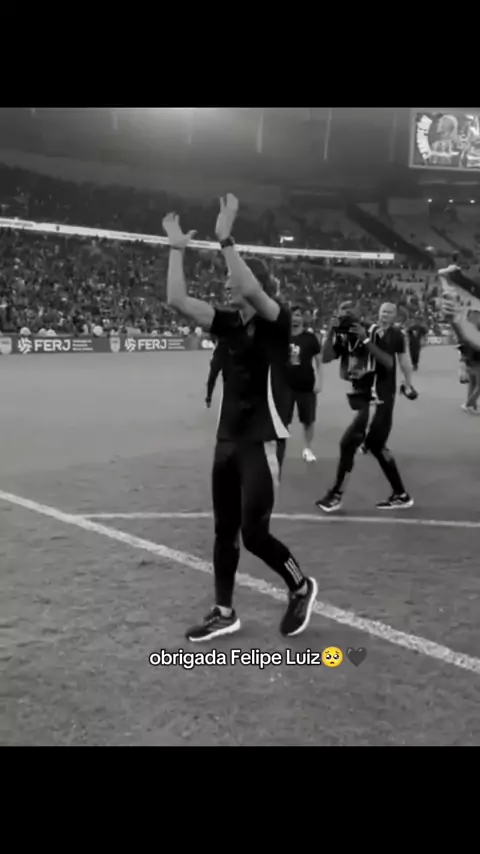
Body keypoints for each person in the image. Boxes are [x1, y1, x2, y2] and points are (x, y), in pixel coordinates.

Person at [163, 195, 318, 643]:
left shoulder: (277, 323)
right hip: (227, 441)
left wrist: (226, 239)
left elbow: (250, 288)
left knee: (254, 534)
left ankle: (301, 586)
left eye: (233, 280)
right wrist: (176, 249)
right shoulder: (228, 324)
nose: (227, 285)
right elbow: (177, 300)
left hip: (262, 441)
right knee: (224, 532)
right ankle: (224, 611)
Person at [316, 302, 416, 514]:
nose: (346, 318)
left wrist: (365, 340)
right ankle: (401, 494)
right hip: (362, 397)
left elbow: (388, 362)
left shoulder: (375, 332)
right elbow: (325, 358)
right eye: (342, 315)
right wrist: (331, 333)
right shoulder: (343, 335)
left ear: (361, 315)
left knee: (348, 444)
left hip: (378, 397)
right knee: (376, 446)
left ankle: (336, 494)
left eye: (350, 315)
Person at [287, 305, 322, 462]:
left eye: (298, 315)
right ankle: (278, 447)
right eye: (292, 315)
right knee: (281, 419)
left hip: (306, 385)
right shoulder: (281, 336)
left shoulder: (310, 338)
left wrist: (319, 381)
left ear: (302, 318)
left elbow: (319, 361)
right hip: (285, 385)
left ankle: (307, 449)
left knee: (308, 420)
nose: (295, 318)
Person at [205, 338, 228, 409]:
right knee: (211, 379)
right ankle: (208, 398)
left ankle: (227, 400)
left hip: (226, 359)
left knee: (227, 381)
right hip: (217, 359)